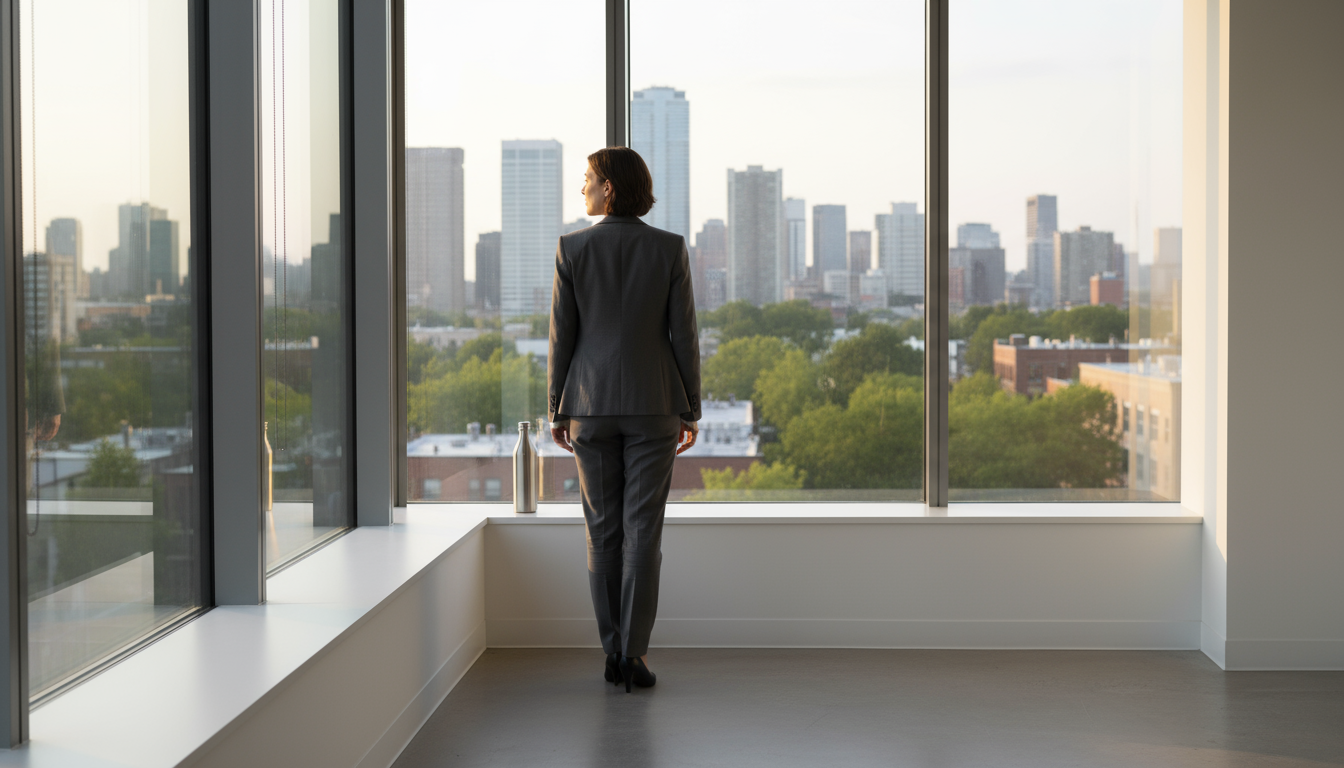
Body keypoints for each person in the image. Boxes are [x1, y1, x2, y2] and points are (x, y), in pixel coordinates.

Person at [547, 147, 701, 693]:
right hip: (655, 404)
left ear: (609, 188)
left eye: (588, 180)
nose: (582, 189)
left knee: (602, 533)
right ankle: (632, 654)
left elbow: (562, 337)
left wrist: (557, 410)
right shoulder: (668, 249)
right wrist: (691, 407)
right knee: (642, 533)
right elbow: (683, 335)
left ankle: (611, 650)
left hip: (587, 406)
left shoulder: (573, 249)